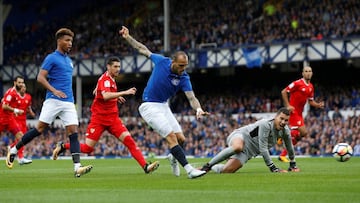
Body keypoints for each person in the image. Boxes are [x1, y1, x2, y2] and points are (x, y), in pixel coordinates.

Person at [119, 26, 210, 179]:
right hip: (149, 106)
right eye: (181, 65)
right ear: (173, 62)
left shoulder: (184, 77)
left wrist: (198, 109)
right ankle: (189, 170)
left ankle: (173, 158)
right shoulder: (162, 62)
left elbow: (191, 97)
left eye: (185, 66)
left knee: (182, 139)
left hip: (163, 106)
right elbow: (143, 49)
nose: (183, 69)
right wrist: (128, 37)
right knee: (171, 137)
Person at [6, 28, 93, 177]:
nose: (70, 43)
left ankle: (77, 167)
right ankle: (14, 150)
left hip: (68, 102)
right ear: (59, 41)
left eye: (71, 40)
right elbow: (40, 78)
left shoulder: (69, 61)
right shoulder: (51, 58)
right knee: (39, 129)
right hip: (53, 100)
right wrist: (54, 90)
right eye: (67, 40)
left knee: (74, 133)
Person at [52, 56, 159, 174]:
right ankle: (63, 146)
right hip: (99, 119)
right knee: (88, 149)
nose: (118, 69)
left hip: (113, 119)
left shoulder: (108, 79)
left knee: (129, 141)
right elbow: (105, 96)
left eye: (119, 66)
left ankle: (145, 166)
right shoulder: (105, 79)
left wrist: (116, 96)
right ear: (108, 67)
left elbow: (100, 92)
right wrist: (124, 92)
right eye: (115, 67)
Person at [200, 107, 300, 174]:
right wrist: (273, 168)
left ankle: (217, 167)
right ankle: (208, 166)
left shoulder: (285, 131)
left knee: (227, 171)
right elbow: (263, 148)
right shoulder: (266, 124)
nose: (283, 122)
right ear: (275, 117)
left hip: (249, 152)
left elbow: (289, 146)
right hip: (241, 136)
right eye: (281, 118)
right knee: (238, 147)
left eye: (286, 120)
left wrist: (293, 164)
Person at [278, 66, 324, 162]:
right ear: (302, 73)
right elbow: (284, 92)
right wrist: (288, 105)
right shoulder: (297, 83)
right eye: (306, 71)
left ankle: (282, 154)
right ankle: (281, 138)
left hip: (299, 113)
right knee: (300, 133)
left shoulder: (311, 87)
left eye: (310, 71)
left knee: (301, 135)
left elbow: (310, 101)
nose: (308, 73)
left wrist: (318, 105)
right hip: (293, 112)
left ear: (312, 73)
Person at [0, 76, 32, 165]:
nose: (21, 84)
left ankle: (13, 151)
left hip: (10, 119)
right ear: (15, 83)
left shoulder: (18, 93)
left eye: (22, 82)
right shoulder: (11, 93)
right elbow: (4, 106)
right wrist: (16, 110)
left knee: (21, 137)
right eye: (19, 82)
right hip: (2, 119)